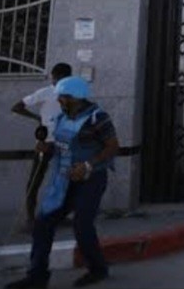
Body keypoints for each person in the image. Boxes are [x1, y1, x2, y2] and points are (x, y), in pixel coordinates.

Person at [6, 77, 120, 289]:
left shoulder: (97, 118)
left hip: (90, 179)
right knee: (43, 223)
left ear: (77, 97)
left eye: (64, 97)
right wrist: (47, 148)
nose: (60, 101)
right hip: (64, 179)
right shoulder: (61, 118)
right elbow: (61, 145)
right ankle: (37, 276)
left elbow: (112, 146)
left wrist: (88, 165)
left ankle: (97, 269)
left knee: (82, 225)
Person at [12, 63, 73, 227]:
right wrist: (37, 118)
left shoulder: (70, 95)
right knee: (36, 180)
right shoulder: (46, 92)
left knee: (62, 180)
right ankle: (30, 219)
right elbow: (17, 107)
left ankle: (58, 215)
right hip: (46, 143)